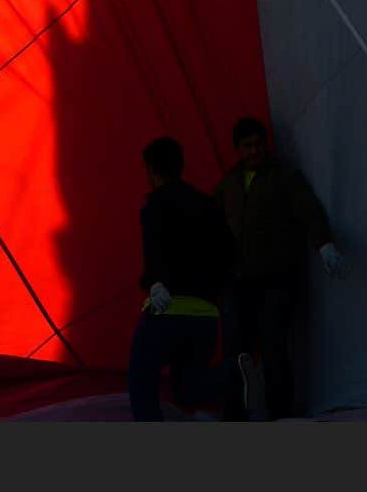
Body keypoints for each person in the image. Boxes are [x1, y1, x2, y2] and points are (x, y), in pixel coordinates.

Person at [214, 117, 349, 420]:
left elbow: (309, 212)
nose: (255, 150)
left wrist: (324, 244)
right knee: (236, 351)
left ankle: (280, 416)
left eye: (259, 143)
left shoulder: (285, 177)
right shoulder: (229, 183)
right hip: (237, 281)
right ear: (237, 149)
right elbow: (211, 225)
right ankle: (235, 414)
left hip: (277, 278)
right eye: (248, 146)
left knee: (274, 347)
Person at [129, 136, 251, 421]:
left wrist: (157, 282)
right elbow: (230, 253)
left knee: (141, 379)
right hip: (206, 314)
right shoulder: (207, 205)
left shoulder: (155, 206)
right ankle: (234, 372)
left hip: (168, 308)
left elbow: (154, 250)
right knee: (188, 387)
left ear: (151, 169)